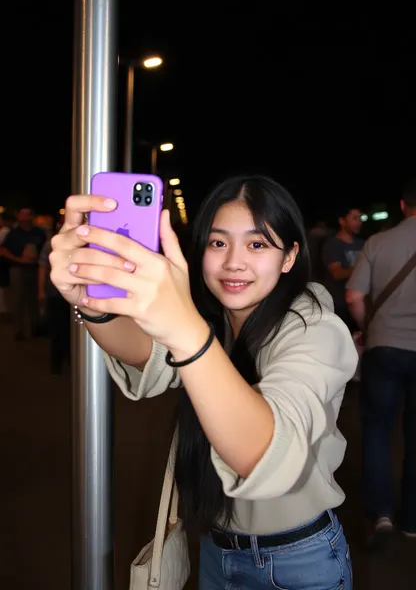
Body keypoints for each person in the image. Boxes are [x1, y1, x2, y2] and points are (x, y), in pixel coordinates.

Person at [49, 175, 357, 589]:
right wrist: (90, 299)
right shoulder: (215, 320)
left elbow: (266, 451)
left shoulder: (315, 327)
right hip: (215, 551)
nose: (233, 262)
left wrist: (184, 329)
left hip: (298, 561)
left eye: (257, 244)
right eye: (218, 243)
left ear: (289, 257)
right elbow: (145, 353)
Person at [346, 178, 416, 547]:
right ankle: (412, 520)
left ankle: (381, 516)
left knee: (377, 432)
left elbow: (354, 294)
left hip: (384, 347)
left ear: (404, 206)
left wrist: (367, 326)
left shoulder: (378, 241)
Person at [0, 208, 46, 339]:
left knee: (35, 299)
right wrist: (18, 259)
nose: (26, 217)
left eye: (28, 214)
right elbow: (3, 249)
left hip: (35, 269)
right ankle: (19, 330)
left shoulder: (39, 232)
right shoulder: (13, 233)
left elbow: (46, 249)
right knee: (18, 300)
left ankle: (35, 327)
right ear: (19, 217)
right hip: (18, 269)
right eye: (23, 215)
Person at [321, 206, 364, 332]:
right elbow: (337, 273)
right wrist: (362, 267)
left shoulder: (362, 243)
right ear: (342, 221)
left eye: (360, 218)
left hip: (359, 303)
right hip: (341, 305)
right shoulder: (333, 245)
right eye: (354, 218)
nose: (359, 222)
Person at [38, 213, 70, 375]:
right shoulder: (53, 242)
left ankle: (73, 363)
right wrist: (41, 291)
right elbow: (43, 266)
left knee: (72, 331)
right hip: (56, 294)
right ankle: (56, 365)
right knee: (58, 331)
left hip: (75, 297)